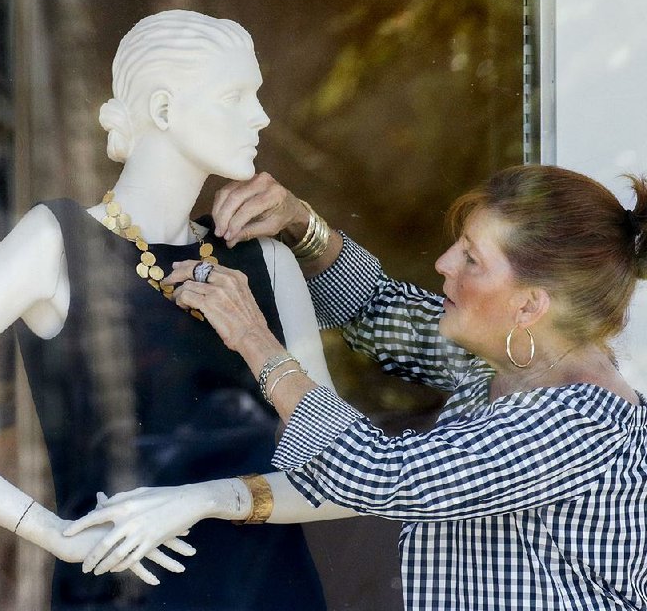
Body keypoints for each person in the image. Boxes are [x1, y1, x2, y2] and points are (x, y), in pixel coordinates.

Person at [0, 10, 332, 610]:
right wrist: (51, 533)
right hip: (122, 592)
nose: (261, 115)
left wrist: (205, 497)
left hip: (272, 591)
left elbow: (340, 476)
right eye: (236, 95)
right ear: (163, 111)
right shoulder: (56, 242)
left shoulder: (266, 261)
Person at [65, 165, 647, 610]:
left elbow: (375, 474)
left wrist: (254, 338)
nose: (444, 262)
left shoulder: (580, 424)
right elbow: (378, 308)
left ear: (529, 304)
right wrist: (300, 225)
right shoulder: (513, 364)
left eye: (471, 259)